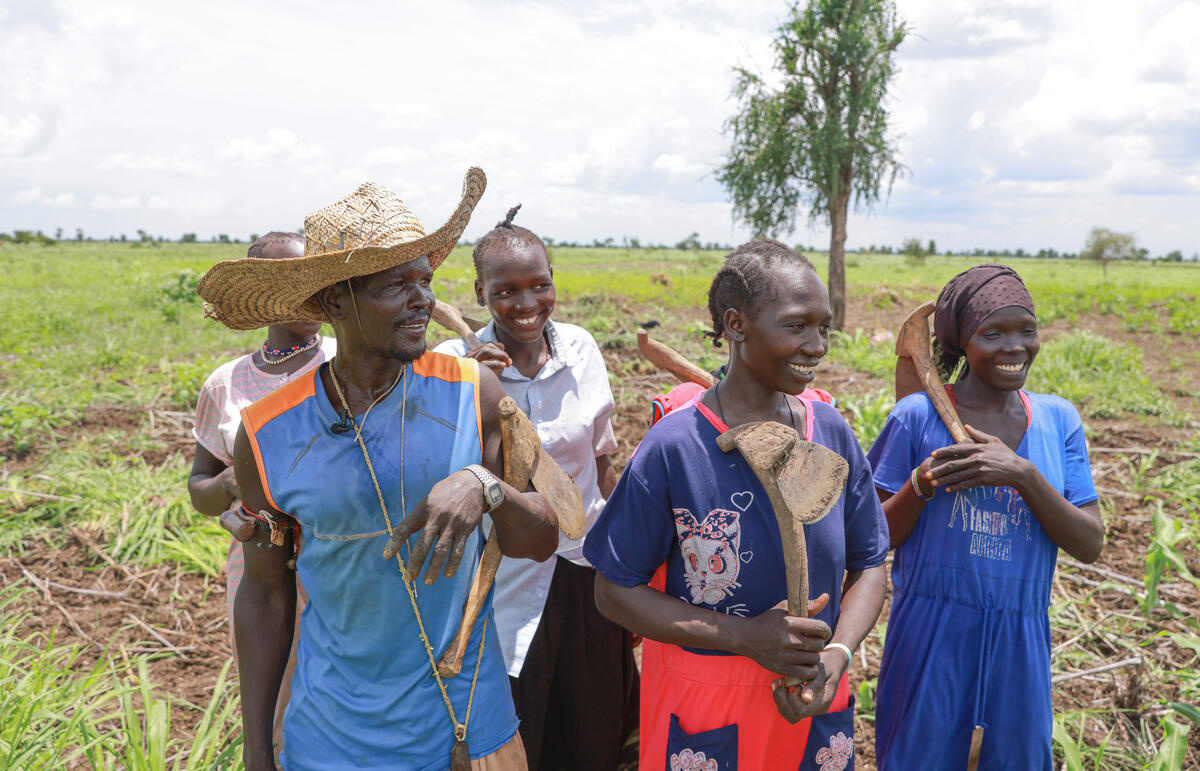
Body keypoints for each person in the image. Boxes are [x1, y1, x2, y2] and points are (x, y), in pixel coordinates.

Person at [197, 169, 559, 771]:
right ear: (336, 299)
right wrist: (260, 747)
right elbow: (263, 593)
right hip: (332, 739)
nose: (424, 299)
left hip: (467, 734)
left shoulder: (472, 392)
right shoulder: (267, 432)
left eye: (426, 280)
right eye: (399, 284)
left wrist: (486, 486)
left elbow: (542, 538)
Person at [584, 238, 889, 770]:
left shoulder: (831, 434)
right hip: (707, 704)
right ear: (735, 324)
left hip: (813, 697)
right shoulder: (677, 447)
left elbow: (870, 563)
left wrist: (837, 656)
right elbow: (614, 591)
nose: (817, 345)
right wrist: (744, 636)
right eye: (797, 326)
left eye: (824, 327)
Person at [867, 264, 1103, 770]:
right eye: (992, 333)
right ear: (961, 342)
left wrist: (1022, 474)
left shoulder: (1059, 419)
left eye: (1026, 330)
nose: (1015, 347)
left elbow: (1089, 543)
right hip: (931, 634)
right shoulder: (916, 416)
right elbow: (870, 537)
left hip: (1022, 639)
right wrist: (922, 484)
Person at [433, 204, 637, 771]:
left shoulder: (580, 350)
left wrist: (630, 567)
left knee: (592, 726)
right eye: (506, 291)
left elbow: (601, 463)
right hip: (504, 578)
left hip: (586, 568)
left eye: (539, 285)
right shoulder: (451, 364)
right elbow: (442, 471)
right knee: (518, 732)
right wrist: (471, 381)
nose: (526, 304)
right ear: (480, 292)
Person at [188, 231, 335, 748]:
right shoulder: (226, 383)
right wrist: (234, 482)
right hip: (255, 569)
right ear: (261, 291)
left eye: (316, 278)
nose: (309, 292)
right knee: (271, 695)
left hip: (339, 560)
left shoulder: (345, 364)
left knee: (330, 692)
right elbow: (200, 489)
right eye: (292, 281)